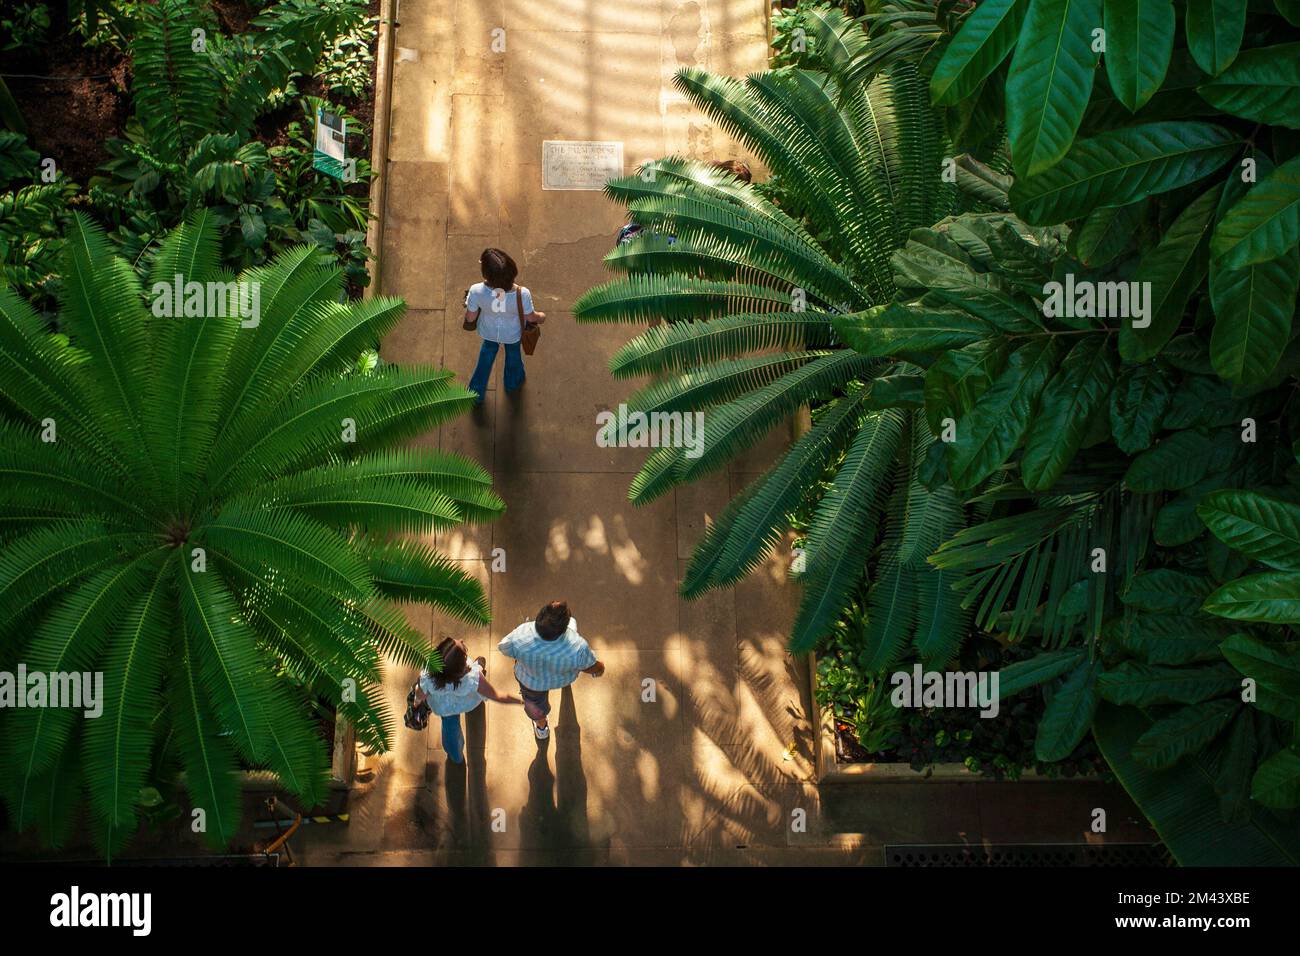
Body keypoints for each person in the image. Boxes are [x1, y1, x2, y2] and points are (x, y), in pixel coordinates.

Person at [498, 601, 604, 740]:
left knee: (536, 707)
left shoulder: (521, 634)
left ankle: (542, 729)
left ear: (540, 616)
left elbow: (505, 648)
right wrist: (600, 668)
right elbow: (590, 666)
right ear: (563, 630)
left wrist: (521, 658)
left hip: (531, 683)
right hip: (563, 678)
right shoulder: (577, 645)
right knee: (574, 623)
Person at [415, 636, 522, 763]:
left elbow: (420, 694)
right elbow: (497, 695)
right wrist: (521, 701)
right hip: (465, 702)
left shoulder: (428, 676)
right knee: (478, 670)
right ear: (461, 668)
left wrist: (416, 702)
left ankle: (456, 757)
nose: (461, 640)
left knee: (450, 733)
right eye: (464, 649)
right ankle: (480, 665)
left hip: (445, 708)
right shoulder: (472, 678)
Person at [464, 248, 546, 405]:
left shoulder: (475, 291)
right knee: (513, 356)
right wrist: (541, 317)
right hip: (512, 334)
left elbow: (470, 317)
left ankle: (476, 391)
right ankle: (512, 382)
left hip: (488, 331)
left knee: (485, 357)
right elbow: (531, 317)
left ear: (485, 273)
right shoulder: (522, 294)